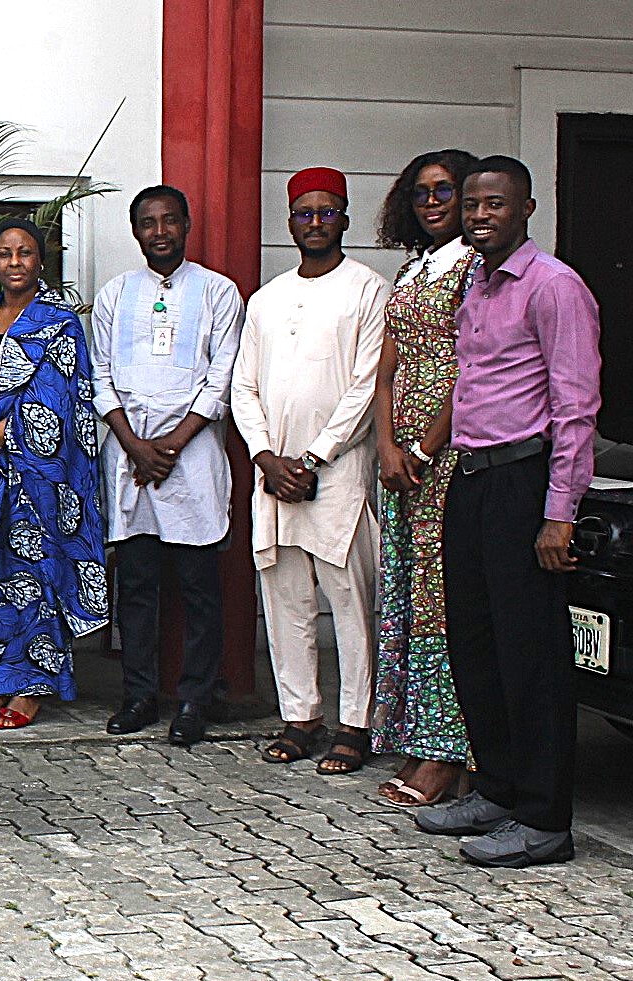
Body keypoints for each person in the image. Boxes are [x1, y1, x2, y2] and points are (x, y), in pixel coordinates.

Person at [415, 156, 600, 868]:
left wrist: (559, 514)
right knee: (476, 643)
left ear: (526, 209)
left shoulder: (554, 287)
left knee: (531, 655)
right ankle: (498, 789)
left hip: (525, 482)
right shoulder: (478, 282)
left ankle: (545, 820)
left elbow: (575, 407)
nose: (479, 215)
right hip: (472, 479)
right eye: (472, 204)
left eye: (495, 204)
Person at [232, 167, 388, 776]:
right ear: (290, 221)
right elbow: (243, 387)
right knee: (285, 598)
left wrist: (315, 456)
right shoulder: (267, 298)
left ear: (345, 219)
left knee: (350, 600)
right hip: (275, 475)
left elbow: (368, 386)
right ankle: (301, 717)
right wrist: (266, 458)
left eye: (327, 212)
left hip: (338, 472)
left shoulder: (368, 289)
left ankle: (356, 723)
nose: (315, 222)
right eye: (305, 213)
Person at [0, 218, 107, 730]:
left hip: (37, 477)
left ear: (41, 260)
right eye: (5, 254)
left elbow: (55, 404)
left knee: (33, 576)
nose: (15, 262)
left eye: (25, 253)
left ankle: (31, 687)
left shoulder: (59, 324)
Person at [91, 186, 243, 746]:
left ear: (186, 225)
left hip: (193, 455)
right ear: (136, 231)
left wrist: (171, 446)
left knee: (200, 586)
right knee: (136, 585)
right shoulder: (114, 294)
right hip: (129, 455)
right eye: (148, 223)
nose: (160, 232)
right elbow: (100, 375)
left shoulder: (218, 292)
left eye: (169, 220)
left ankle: (195, 699)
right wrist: (135, 446)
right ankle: (138, 695)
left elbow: (220, 378)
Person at [368, 150, 479, 808]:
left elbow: (473, 370)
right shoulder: (412, 269)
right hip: (398, 461)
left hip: (450, 454)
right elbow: (386, 369)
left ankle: (448, 753)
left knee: (441, 601)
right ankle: (416, 735)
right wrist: (387, 444)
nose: (432, 202)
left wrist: (422, 447)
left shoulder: (476, 268)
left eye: (445, 190)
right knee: (407, 595)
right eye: (420, 193)